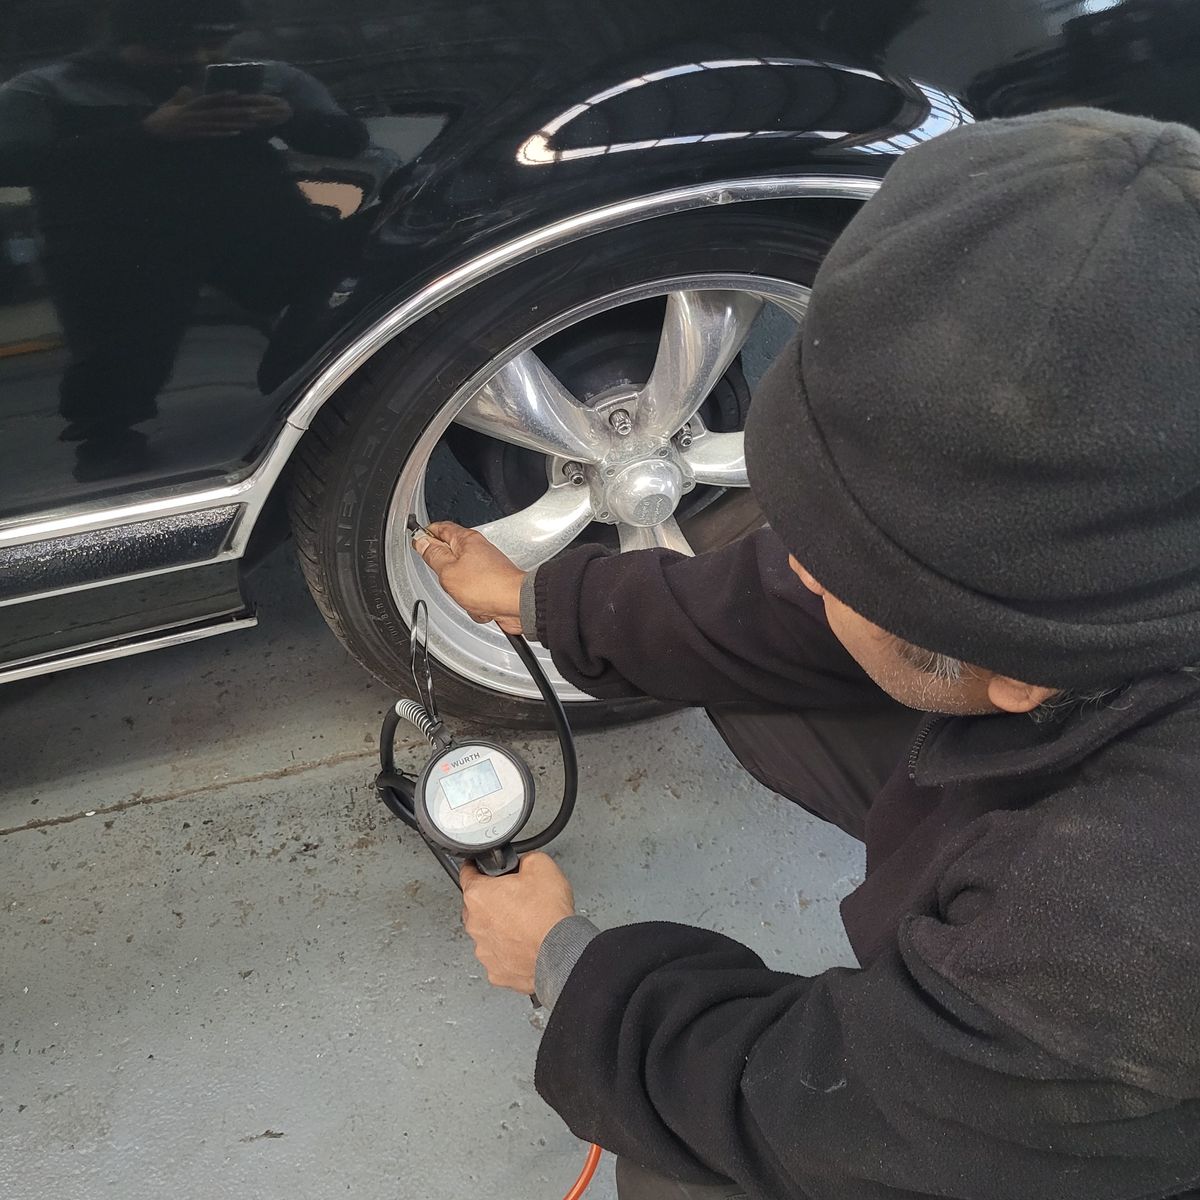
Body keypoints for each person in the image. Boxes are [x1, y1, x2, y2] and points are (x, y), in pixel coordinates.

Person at [414, 107, 1200, 1199]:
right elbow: (791, 591)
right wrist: (554, 601)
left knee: (684, 1182)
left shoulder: (1125, 945)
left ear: (1026, 674)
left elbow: (829, 1113)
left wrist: (572, 975)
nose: (802, 569)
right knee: (744, 666)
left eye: (845, 575)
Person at [0, 0, 367, 480]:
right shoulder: (49, 88)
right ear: (120, 42)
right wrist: (145, 132)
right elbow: (14, 162)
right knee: (117, 355)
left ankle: (330, 397)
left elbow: (349, 140)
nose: (193, 58)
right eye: (170, 46)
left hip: (257, 234)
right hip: (116, 249)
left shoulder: (270, 79)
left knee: (324, 309)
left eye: (209, 42)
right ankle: (108, 440)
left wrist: (287, 118)